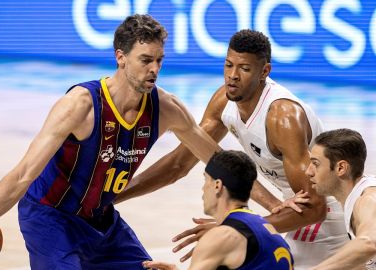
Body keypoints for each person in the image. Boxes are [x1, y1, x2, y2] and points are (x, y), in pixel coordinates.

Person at [0, 14, 220, 270]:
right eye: (146, 60)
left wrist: (253, 212)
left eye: (159, 60)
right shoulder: (81, 105)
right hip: (51, 217)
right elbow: (24, 173)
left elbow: (220, 162)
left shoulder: (165, 107)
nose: (155, 69)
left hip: (100, 219)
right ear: (120, 57)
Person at [116, 29, 348, 269]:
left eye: (244, 69)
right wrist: (112, 197)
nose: (233, 76)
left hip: (328, 211)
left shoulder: (282, 117)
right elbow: (179, 164)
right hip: (293, 205)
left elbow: (315, 208)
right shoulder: (225, 101)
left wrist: (238, 228)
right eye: (228, 65)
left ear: (264, 72)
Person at [143, 150, 294, 270]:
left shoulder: (221, 236)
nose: (203, 188)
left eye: (205, 180)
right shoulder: (267, 229)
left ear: (217, 185)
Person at [304, 128, 376, 269]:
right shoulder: (354, 198)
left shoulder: (368, 199)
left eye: (316, 164)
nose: (308, 171)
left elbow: (369, 243)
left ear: (341, 168)